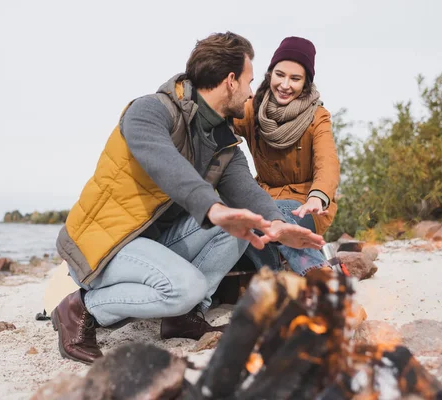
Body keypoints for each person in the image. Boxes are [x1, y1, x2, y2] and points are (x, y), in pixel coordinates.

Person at [52, 32, 326, 364]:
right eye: (249, 81)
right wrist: (212, 208)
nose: (252, 91)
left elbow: (247, 191)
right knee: (185, 287)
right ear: (229, 81)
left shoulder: (223, 139)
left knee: (245, 225)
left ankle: (184, 315)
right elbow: (168, 169)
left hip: (153, 241)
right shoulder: (150, 112)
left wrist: (279, 226)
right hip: (104, 244)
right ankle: (80, 308)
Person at [233, 36, 340, 277]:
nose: (285, 84)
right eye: (280, 75)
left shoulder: (317, 116)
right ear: (270, 74)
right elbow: (221, 118)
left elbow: (328, 162)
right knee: (249, 214)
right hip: (264, 196)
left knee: (265, 213)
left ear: (306, 83)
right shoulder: (252, 109)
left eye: (295, 78)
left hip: (305, 204)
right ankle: (273, 277)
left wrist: (318, 196)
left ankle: (319, 275)